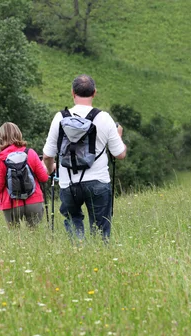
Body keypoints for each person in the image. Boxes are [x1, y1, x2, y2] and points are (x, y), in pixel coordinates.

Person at [42, 74, 127, 240]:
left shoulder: (60, 118)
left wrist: (50, 168)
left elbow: (47, 155)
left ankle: (78, 254)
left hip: (69, 183)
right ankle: (99, 257)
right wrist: (119, 135)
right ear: (94, 93)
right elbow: (120, 154)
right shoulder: (103, 118)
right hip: (98, 181)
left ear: (72, 93)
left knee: (73, 221)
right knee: (101, 227)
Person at [0, 122, 49, 227]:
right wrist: (46, 167)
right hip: (34, 201)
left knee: (15, 239)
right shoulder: (30, 153)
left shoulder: (0, 157)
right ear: (18, 134)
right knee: (36, 236)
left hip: (10, 203)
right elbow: (43, 178)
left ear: (1, 137)